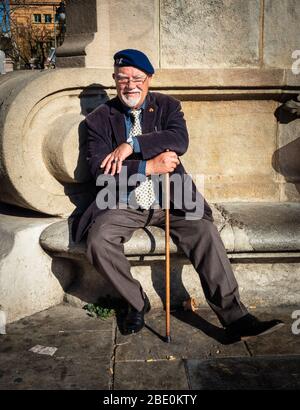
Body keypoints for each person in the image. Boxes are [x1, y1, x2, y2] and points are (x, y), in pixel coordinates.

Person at [75, 49, 284, 340]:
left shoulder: (166, 106)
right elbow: (101, 172)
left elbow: (178, 139)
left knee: (204, 231)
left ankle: (236, 317)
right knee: (98, 241)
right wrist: (148, 165)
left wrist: (132, 145)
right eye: (123, 78)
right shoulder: (99, 120)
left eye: (137, 78)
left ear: (148, 79)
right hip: (121, 200)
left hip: (173, 199)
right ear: (114, 79)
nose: (130, 85)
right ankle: (136, 302)